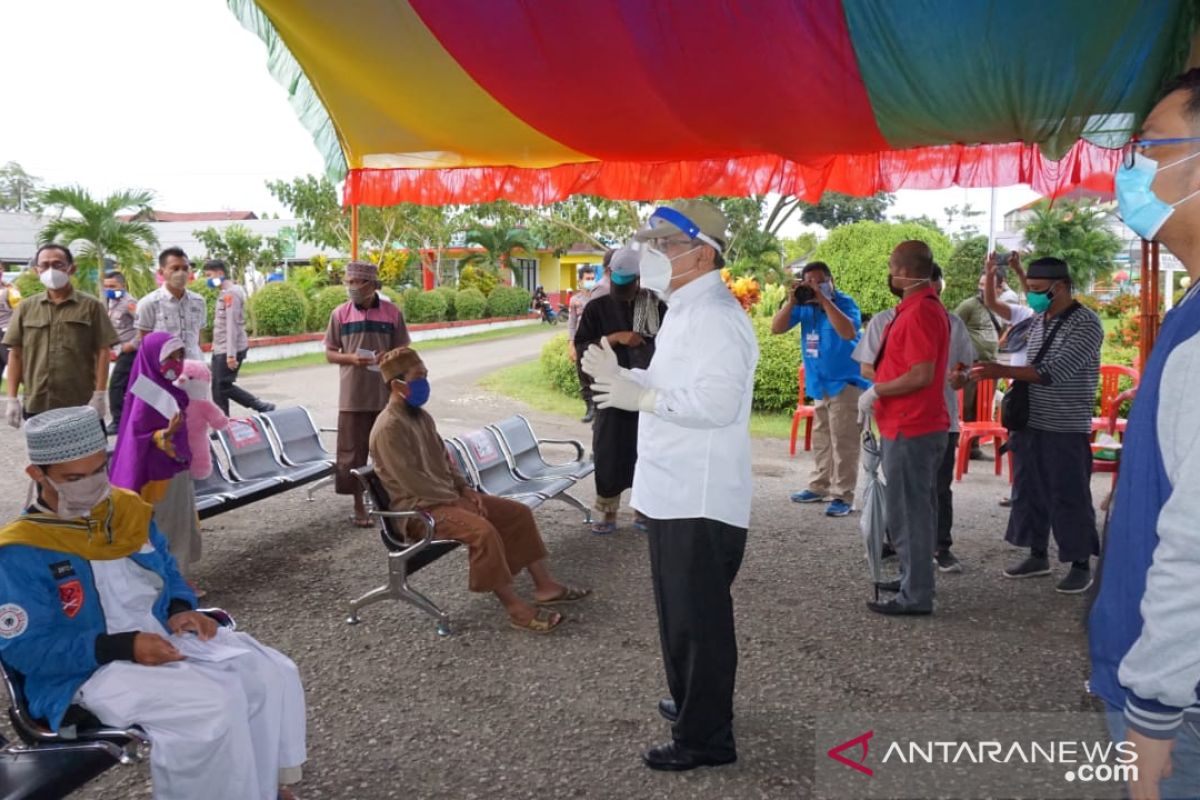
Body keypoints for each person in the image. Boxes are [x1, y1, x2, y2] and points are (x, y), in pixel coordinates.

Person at [0, 405, 306, 800]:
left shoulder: (125, 511)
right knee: (213, 703)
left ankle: (262, 785)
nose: (92, 486)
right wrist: (123, 646)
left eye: (98, 471)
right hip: (86, 671)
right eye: (74, 478)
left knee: (268, 671)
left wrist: (180, 609)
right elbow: (25, 650)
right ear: (37, 475)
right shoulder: (21, 551)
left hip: (157, 637)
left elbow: (168, 572)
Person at [582, 200, 758, 771]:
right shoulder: (682, 308)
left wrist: (644, 396)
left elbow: (715, 404)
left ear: (701, 252)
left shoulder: (715, 316)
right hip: (674, 489)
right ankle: (691, 701)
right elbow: (667, 382)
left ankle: (705, 738)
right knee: (680, 615)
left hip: (699, 496)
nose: (651, 256)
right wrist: (624, 377)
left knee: (698, 622)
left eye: (663, 246)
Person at [1090, 68, 1200, 800]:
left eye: (1151, 148)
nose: (1133, 169)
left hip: (1177, 706)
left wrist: (1153, 712)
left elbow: (1196, 542)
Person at [368, 347, 589, 632]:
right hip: (418, 512)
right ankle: (516, 610)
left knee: (517, 513)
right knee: (482, 530)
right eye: (418, 377)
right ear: (397, 385)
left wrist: (467, 491)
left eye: (425, 375)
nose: (424, 382)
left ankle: (545, 586)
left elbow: (446, 463)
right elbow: (414, 483)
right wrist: (458, 502)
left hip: (445, 499)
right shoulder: (388, 428)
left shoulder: (421, 418)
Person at [970, 257, 1103, 594]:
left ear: (1060, 287)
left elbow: (1051, 371)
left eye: (1037, 290)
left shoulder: (1086, 324)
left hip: (1065, 423)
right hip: (1030, 420)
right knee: (1029, 490)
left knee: (1068, 492)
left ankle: (1079, 563)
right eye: (1029, 289)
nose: (1031, 296)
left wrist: (1000, 372)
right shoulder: (1038, 320)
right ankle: (1037, 554)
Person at [855, 263, 974, 574]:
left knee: (936, 489)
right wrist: (889, 384)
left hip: (935, 418)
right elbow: (868, 366)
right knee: (901, 489)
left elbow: (956, 368)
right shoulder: (886, 320)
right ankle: (903, 552)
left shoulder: (946, 320)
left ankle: (934, 552)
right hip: (899, 416)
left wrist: (958, 377)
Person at [857, 241, 949, 616]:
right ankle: (915, 580)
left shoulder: (919, 313)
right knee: (913, 511)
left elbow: (921, 375)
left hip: (913, 425)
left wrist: (877, 390)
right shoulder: (916, 308)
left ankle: (916, 595)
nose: (890, 273)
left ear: (907, 273)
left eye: (893, 266)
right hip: (910, 423)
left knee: (908, 514)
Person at [574, 247, 667, 534]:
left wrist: (643, 347)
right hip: (609, 392)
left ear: (640, 279)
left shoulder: (653, 305)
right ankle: (607, 511)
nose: (624, 289)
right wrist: (615, 338)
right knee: (608, 450)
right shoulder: (596, 307)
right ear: (610, 275)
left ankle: (644, 509)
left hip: (644, 390)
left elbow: (668, 348)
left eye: (631, 283)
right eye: (619, 282)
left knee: (647, 450)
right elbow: (582, 348)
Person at [771, 260, 867, 517]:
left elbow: (848, 332)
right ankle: (820, 485)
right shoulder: (803, 306)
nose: (813, 286)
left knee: (844, 440)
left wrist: (825, 301)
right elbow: (776, 328)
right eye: (808, 282)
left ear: (830, 281)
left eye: (819, 281)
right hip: (819, 382)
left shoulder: (844, 302)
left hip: (846, 382)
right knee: (823, 436)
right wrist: (792, 301)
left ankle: (843, 495)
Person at [108, 332, 203, 582]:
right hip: (158, 474)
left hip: (176, 467)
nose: (176, 362)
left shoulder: (167, 387)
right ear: (152, 358)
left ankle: (179, 577)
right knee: (166, 526)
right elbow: (137, 434)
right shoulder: (147, 391)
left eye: (180, 355)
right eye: (169, 357)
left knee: (180, 523)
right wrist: (163, 436)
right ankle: (172, 582)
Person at [325, 260, 410, 527]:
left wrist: (391, 356)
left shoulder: (392, 313)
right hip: (352, 396)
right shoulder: (340, 314)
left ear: (372, 284)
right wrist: (352, 358)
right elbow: (329, 352)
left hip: (387, 394)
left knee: (389, 451)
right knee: (351, 453)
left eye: (356, 282)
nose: (351, 287)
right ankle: (359, 506)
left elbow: (405, 348)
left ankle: (391, 504)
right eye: (348, 282)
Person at [4, 244, 116, 428]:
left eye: (58, 264)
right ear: (36, 270)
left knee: (89, 456)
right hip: (38, 401)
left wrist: (99, 395)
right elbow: (15, 353)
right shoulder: (26, 308)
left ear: (72, 268)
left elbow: (103, 351)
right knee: (44, 456)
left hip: (80, 402)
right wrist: (12, 398)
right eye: (45, 265)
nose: (51, 270)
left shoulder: (91, 306)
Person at [203, 260, 275, 416]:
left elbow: (232, 325)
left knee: (222, 385)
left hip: (230, 349)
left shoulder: (231, 293)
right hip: (221, 347)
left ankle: (259, 405)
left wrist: (230, 354)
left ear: (220, 274)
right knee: (218, 387)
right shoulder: (224, 292)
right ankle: (223, 424)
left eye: (209, 275)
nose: (207, 279)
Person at [954, 267, 1006, 458]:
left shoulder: (1000, 308)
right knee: (968, 406)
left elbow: (1001, 330)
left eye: (989, 285)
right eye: (981, 284)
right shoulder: (969, 305)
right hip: (972, 365)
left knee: (983, 407)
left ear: (1000, 288)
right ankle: (966, 446)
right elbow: (953, 326)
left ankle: (974, 447)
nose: (983, 288)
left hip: (990, 365)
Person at [135, 247, 207, 360]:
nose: (181, 273)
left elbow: (198, 337)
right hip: (163, 370)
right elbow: (144, 342)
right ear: (161, 272)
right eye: (175, 268)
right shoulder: (149, 303)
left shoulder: (198, 302)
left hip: (194, 368)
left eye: (185, 268)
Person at [103, 269, 139, 432]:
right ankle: (133, 418)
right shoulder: (111, 301)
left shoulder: (129, 303)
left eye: (113, 286)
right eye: (107, 287)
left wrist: (132, 344)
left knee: (116, 386)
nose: (109, 290)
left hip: (130, 352)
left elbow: (144, 326)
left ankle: (118, 421)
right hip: (119, 350)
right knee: (135, 385)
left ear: (123, 285)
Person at [567, 264, 597, 423]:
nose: (591, 281)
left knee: (596, 375)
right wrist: (571, 344)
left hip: (596, 342)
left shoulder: (599, 296)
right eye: (588, 279)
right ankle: (589, 408)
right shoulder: (575, 300)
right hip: (580, 342)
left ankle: (599, 409)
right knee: (583, 376)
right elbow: (571, 323)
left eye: (593, 278)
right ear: (580, 281)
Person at [0, 275, 19, 380]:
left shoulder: (10, 290)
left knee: (13, 362)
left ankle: (30, 391)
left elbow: (19, 310)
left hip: (5, 330)